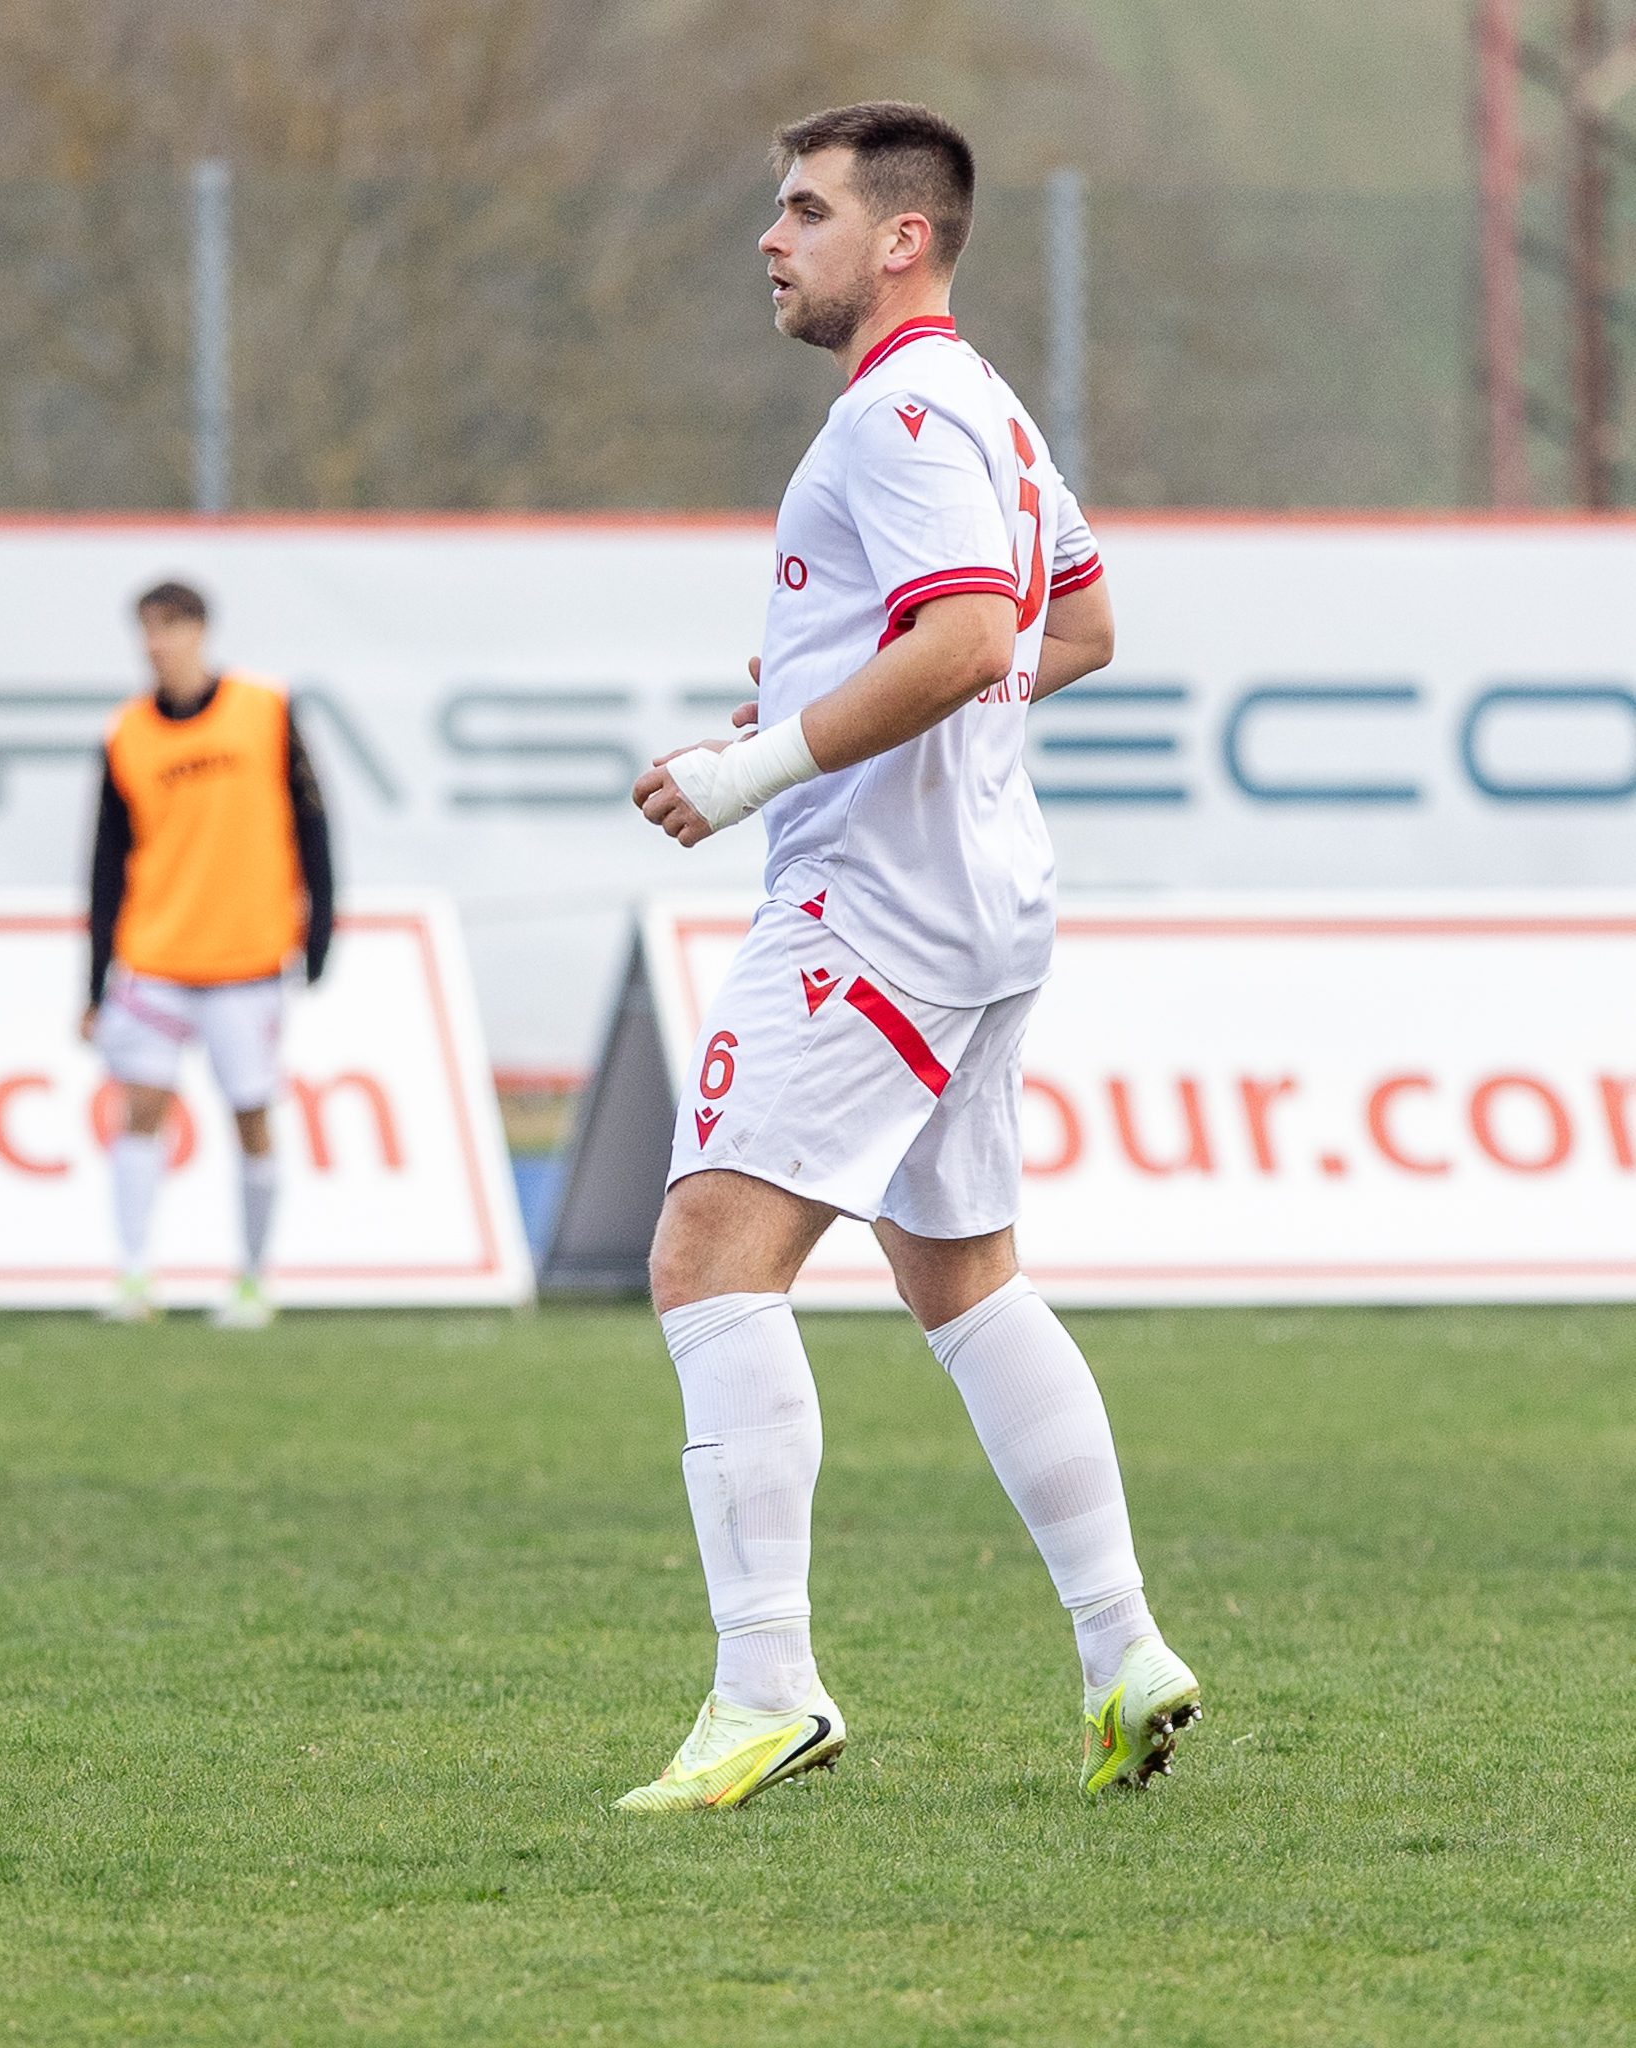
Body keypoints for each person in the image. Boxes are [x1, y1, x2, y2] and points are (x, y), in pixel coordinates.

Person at [620, 102, 1200, 1813]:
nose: (770, 237)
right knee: (963, 1280)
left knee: (707, 1257)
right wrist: (837, 692)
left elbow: (961, 640)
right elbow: (1069, 626)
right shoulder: (986, 403)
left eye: (804, 210)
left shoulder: (893, 411)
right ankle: (1122, 1650)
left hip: (873, 905)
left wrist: (755, 765)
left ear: (902, 239)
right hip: (978, 897)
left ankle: (762, 1689)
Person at [81, 580, 334, 1329]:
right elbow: (105, 862)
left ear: (200, 631)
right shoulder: (127, 733)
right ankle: (134, 1275)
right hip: (155, 955)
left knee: (250, 1113)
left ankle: (253, 1278)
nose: (156, 644)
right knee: (140, 1107)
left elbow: (313, 825)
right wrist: (92, 979)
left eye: (168, 628)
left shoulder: (265, 710)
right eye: (147, 630)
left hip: (245, 956)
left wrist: (320, 928)